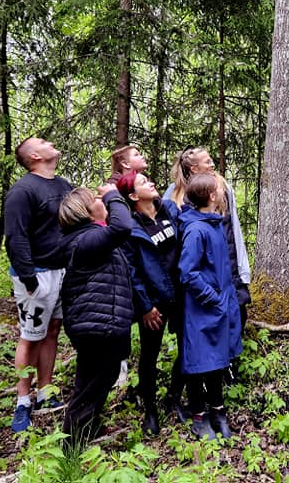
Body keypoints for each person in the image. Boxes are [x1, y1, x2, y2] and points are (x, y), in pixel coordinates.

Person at [3, 137, 73, 433]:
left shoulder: (63, 185)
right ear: (34, 155)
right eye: (43, 142)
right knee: (31, 336)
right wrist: (28, 277)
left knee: (53, 330)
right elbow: (15, 236)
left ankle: (45, 391)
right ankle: (23, 401)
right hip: (36, 274)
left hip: (63, 270)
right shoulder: (23, 191)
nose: (51, 142)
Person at [58, 184, 134, 448]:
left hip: (102, 323)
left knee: (101, 378)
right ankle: (71, 449)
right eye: (96, 199)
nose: (102, 200)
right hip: (96, 326)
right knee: (89, 386)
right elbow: (122, 227)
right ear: (87, 212)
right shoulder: (86, 240)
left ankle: (86, 431)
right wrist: (114, 194)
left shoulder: (91, 238)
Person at [176, 173, 243, 440]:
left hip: (219, 306)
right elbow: (187, 272)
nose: (223, 192)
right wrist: (212, 298)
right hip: (201, 308)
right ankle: (198, 415)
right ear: (212, 196)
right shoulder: (196, 230)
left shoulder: (214, 223)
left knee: (217, 360)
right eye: (219, 189)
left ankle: (218, 411)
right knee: (197, 362)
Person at [115, 171, 182, 436]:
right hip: (154, 303)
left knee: (187, 348)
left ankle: (174, 397)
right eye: (144, 182)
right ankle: (150, 411)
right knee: (149, 355)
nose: (151, 183)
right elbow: (132, 271)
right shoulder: (132, 228)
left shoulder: (169, 211)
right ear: (133, 196)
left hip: (182, 295)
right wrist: (144, 306)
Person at [165, 147, 251, 327]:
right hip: (196, 275)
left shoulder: (222, 187)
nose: (212, 164)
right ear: (194, 168)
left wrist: (243, 272)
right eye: (207, 161)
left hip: (226, 268)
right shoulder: (175, 193)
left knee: (236, 319)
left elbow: (233, 230)